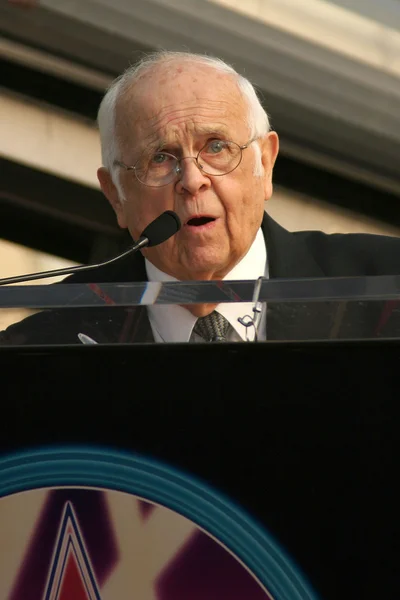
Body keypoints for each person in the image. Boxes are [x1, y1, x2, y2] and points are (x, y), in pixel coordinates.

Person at [1, 50, 400, 345]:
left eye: (215, 147)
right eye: (159, 158)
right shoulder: (45, 344)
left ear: (265, 163)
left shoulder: (385, 289)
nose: (192, 181)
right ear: (115, 195)